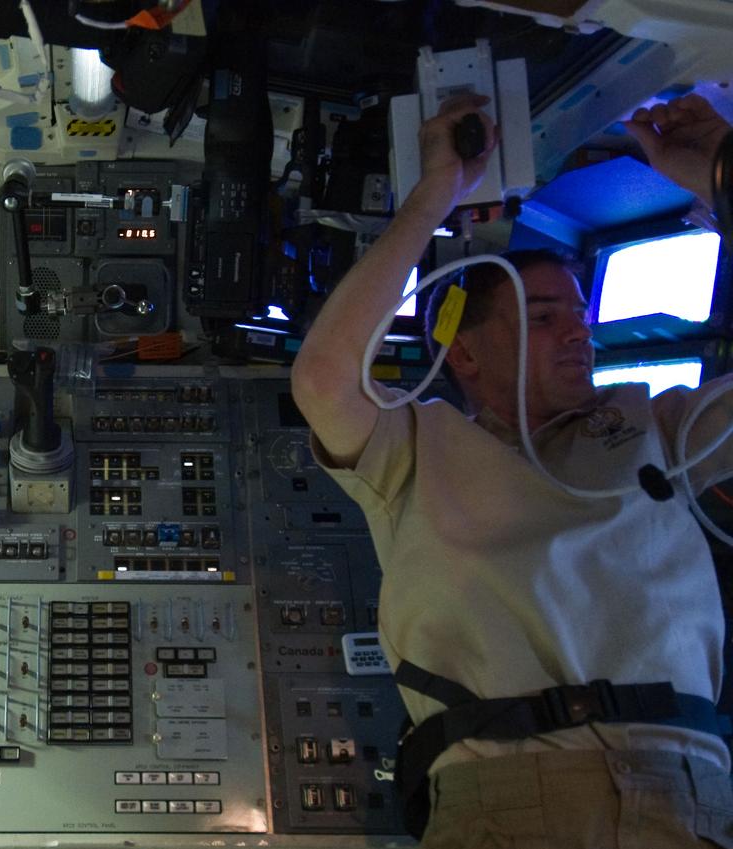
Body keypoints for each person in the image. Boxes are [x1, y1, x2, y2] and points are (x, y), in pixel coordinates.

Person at [291, 92, 733, 848]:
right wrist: (437, 194)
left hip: (688, 791)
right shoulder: (419, 448)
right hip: (507, 793)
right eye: (543, 318)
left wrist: (722, 177)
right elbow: (325, 379)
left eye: (581, 318)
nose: (578, 336)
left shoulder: (660, 427)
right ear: (462, 353)